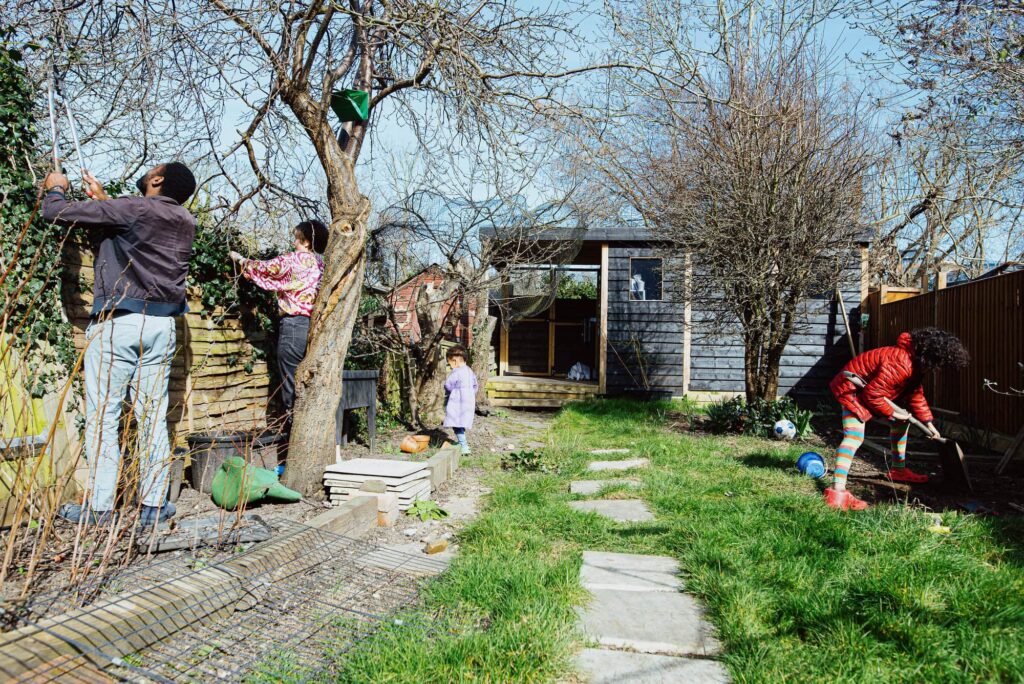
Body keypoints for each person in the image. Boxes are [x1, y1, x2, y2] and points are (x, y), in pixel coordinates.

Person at [43, 162, 198, 526]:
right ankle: (154, 506)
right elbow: (138, 234)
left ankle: (98, 509)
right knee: (152, 417)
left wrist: (56, 187)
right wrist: (106, 202)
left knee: (103, 416)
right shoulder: (185, 222)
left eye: (152, 170)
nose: (148, 171)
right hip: (161, 327)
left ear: (157, 180)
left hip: (119, 324)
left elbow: (55, 213)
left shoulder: (133, 207)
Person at [825, 327, 969, 511]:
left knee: (901, 423)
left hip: (867, 391)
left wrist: (929, 424)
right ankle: (837, 491)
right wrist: (894, 413)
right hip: (851, 390)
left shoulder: (914, 365)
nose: (935, 369)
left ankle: (898, 470)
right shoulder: (901, 362)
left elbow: (915, 394)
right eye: (937, 364)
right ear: (930, 357)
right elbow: (873, 395)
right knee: (854, 437)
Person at [229, 220, 327, 417]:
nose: (293, 243)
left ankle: (293, 433)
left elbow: (264, 268)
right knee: (306, 381)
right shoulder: (321, 264)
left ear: (306, 241)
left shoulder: (294, 260)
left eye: (296, 238)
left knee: (290, 383)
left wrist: (239, 259)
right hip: (312, 326)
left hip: (292, 326)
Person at [443, 345, 478, 455]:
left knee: (456, 424)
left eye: (450, 364)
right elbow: (475, 385)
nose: (450, 366)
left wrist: (451, 392)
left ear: (455, 361)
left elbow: (448, 385)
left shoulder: (456, 372)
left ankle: (463, 446)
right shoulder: (469, 371)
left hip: (457, 402)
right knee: (461, 423)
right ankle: (462, 442)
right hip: (468, 402)